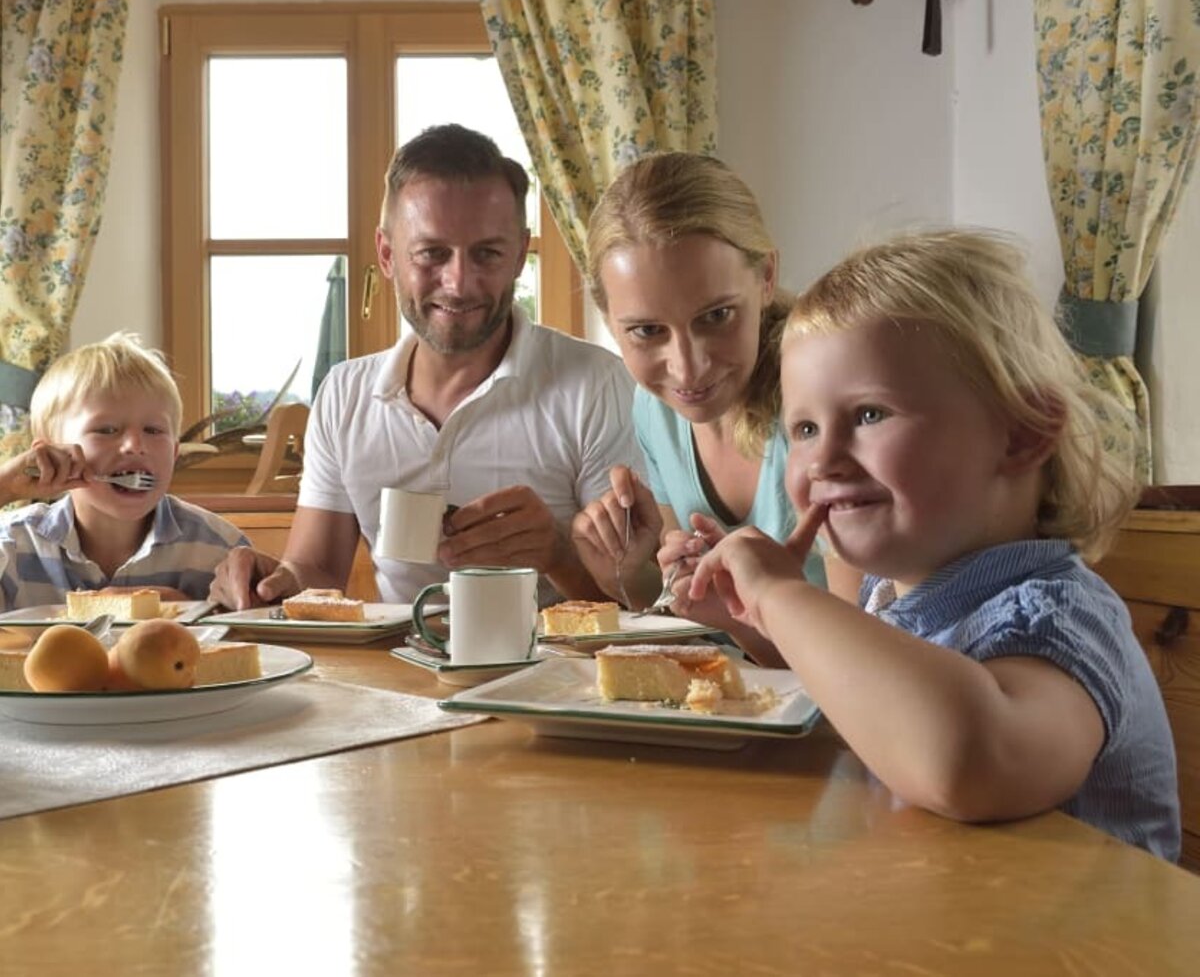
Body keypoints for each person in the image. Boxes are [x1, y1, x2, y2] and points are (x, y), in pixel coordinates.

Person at [687, 229, 1179, 860]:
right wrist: (752, 617)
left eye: (868, 415)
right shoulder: (888, 597)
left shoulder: (1054, 617)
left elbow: (967, 763)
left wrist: (783, 596)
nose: (823, 461)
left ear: (1022, 435)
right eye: (805, 428)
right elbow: (868, 712)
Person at [209, 124, 639, 609]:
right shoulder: (344, 393)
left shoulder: (598, 385)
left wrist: (557, 555)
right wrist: (269, 581)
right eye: (432, 254)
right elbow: (318, 571)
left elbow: (636, 607)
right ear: (388, 255)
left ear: (520, 255)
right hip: (392, 676)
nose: (458, 283)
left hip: (553, 681)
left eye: (487, 254)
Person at [571, 152, 857, 664]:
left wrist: (749, 611)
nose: (687, 367)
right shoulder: (654, 410)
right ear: (608, 317)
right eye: (647, 331)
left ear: (766, 276)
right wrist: (638, 576)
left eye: (717, 316)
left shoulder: (824, 405)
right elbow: (707, 632)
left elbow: (865, 664)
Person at [0, 333, 249, 610]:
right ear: (51, 453)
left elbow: (256, 636)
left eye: (153, 430)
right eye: (106, 430)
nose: (135, 445)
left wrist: (195, 611)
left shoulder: (219, 548)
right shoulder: (13, 546)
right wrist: (4, 486)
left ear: (174, 454)